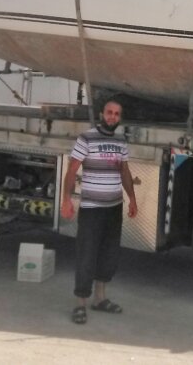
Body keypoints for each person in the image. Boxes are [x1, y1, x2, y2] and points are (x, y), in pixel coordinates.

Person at [61, 100, 138, 325]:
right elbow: (72, 169)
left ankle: (100, 299)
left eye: (117, 113)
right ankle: (80, 304)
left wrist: (132, 198)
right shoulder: (86, 138)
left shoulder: (121, 141)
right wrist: (66, 199)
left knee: (108, 255)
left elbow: (124, 171)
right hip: (92, 208)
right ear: (102, 114)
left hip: (114, 207)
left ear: (120, 118)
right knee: (87, 254)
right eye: (109, 112)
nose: (112, 117)